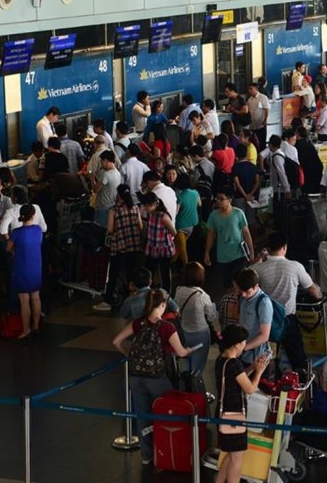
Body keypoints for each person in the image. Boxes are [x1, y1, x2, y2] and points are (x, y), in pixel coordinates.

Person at [112, 288, 197, 466]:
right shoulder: (167, 327)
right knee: (169, 410)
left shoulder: (138, 324)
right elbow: (180, 352)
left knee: (142, 416)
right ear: (163, 305)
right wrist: (188, 351)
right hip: (156, 378)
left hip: (135, 377)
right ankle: (168, 449)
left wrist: (129, 354)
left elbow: (116, 342)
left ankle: (146, 455)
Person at [252, 231, 321, 372]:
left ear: (268, 249)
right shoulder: (295, 266)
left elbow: (246, 278)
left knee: (266, 359)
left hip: (266, 322)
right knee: (297, 357)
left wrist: (258, 259)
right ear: (284, 247)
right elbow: (313, 290)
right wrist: (322, 300)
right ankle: (300, 383)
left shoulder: (257, 269)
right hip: (288, 319)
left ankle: (271, 382)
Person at [214, 325, 270, 483]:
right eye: (244, 342)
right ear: (237, 344)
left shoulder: (222, 360)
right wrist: (259, 371)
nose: (245, 345)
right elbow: (250, 389)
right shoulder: (234, 364)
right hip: (235, 415)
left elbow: (238, 377)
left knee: (231, 454)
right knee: (237, 459)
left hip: (223, 412)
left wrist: (253, 367)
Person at [93, 184, 143, 312]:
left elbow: (110, 229)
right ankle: (131, 299)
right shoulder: (135, 208)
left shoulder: (113, 210)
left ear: (119, 195)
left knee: (114, 273)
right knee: (130, 272)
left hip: (119, 244)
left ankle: (108, 301)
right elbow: (140, 226)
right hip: (134, 244)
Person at [7, 204, 43, 339]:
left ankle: (26, 329)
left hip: (21, 267)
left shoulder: (16, 232)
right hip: (36, 267)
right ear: (33, 215)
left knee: (24, 299)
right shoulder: (38, 230)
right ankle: (36, 327)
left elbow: (8, 248)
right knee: (35, 297)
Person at [205, 186, 253, 287]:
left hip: (239, 254)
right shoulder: (214, 215)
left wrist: (251, 252)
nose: (218, 201)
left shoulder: (238, 213)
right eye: (217, 199)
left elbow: (246, 233)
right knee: (227, 285)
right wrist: (207, 252)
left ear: (230, 200)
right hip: (222, 256)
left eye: (221, 199)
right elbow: (211, 235)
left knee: (240, 284)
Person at [175, 262, 217, 374]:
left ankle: (185, 382)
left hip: (184, 332)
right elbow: (211, 316)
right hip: (200, 334)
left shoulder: (179, 291)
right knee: (198, 365)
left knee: (187, 359)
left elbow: (177, 309)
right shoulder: (202, 296)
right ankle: (194, 386)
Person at [233, 268, 272, 367]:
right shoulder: (242, 297)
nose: (244, 295)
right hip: (242, 354)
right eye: (242, 291)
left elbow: (264, 336)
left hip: (257, 358)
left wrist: (243, 348)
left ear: (256, 286)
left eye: (248, 292)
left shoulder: (264, 303)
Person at [141, 192, 177, 293]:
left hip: (164, 249)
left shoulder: (164, 217)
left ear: (156, 204)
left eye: (149, 205)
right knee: (150, 271)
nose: (147, 207)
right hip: (152, 247)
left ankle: (166, 294)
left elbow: (174, 232)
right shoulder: (150, 215)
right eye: (145, 205)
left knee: (164, 273)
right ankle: (150, 293)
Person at [173, 174, 200, 266]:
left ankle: (187, 269)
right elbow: (199, 204)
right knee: (178, 248)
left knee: (182, 250)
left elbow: (176, 212)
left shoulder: (180, 197)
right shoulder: (195, 193)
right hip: (191, 225)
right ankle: (169, 265)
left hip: (180, 226)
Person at [246, 82, 270, 149]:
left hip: (261, 124)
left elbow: (266, 109)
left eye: (251, 89)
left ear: (256, 89)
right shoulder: (249, 100)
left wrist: (265, 120)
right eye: (249, 89)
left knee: (262, 142)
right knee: (254, 143)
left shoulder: (263, 97)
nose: (249, 91)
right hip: (252, 125)